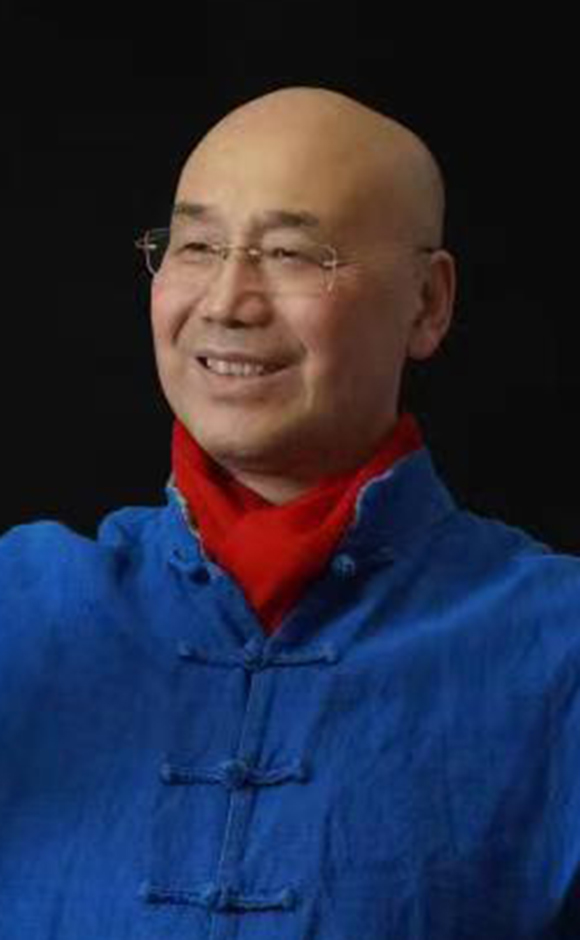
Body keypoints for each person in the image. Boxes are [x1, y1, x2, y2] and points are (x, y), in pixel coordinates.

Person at [0, 86, 578, 940]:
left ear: (428, 303)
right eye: (197, 246)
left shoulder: (558, 641)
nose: (226, 302)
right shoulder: (21, 603)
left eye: (292, 254)